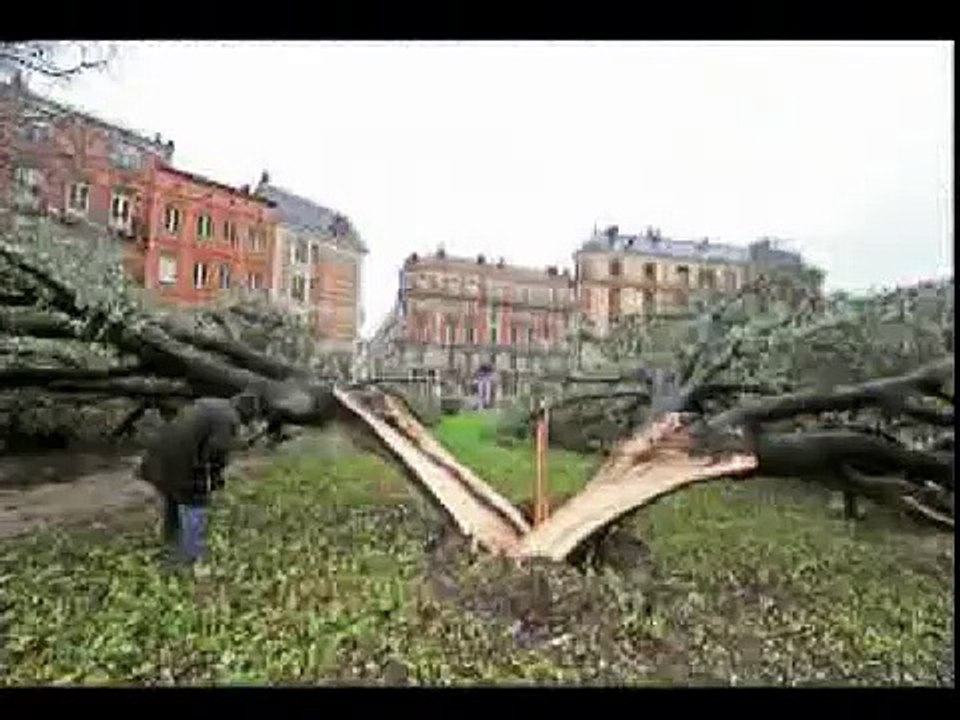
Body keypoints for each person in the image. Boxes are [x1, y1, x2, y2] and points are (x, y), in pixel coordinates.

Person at [139, 391, 261, 565]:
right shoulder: (230, 417)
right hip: (181, 463)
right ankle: (190, 557)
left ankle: (170, 547)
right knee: (196, 504)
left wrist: (238, 444)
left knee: (173, 500)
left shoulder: (209, 402)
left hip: (157, 456)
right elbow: (216, 449)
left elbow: (207, 436)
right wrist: (215, 476)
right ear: (246, 414)